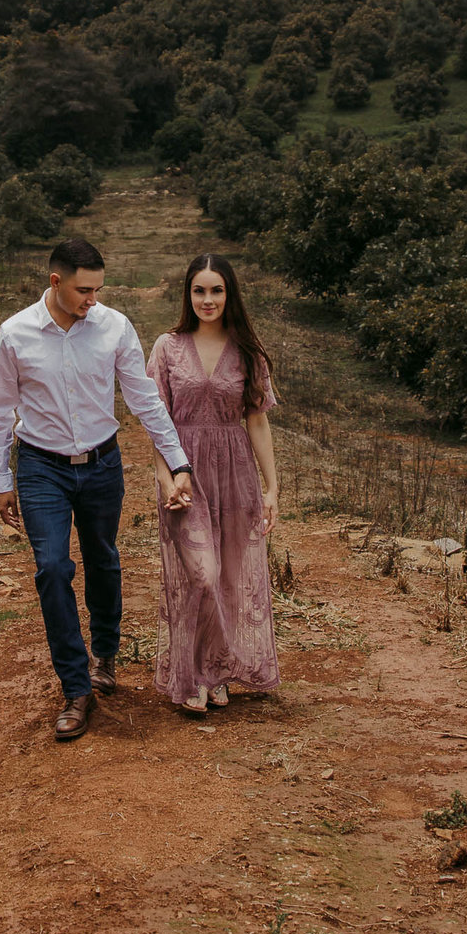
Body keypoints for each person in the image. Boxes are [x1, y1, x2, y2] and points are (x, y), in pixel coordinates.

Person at [0, 238, 197, 741]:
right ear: (55, 282)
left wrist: (177, 459)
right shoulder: (15, 333)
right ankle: (75, 687)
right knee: (52, 567)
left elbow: (144, 399)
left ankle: (105, 654)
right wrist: (1, 478)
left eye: (99, 289)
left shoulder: (115, 326)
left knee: (102, 557)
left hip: (102, 462)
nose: (92, 300)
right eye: (84, 290)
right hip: (41, 466)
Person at [147, 252, 280, 715]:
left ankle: (215, 671)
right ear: (188, 293)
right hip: (183, 475)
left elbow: (258, 423)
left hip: (235, 474)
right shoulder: (167, 347)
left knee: (224, 577)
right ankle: (192, 674)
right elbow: (154, 420)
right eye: (199, 290)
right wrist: (165, 479)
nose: (208, 299)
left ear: (230, 294)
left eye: (217, 290)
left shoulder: (248, 351)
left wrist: (271, 488)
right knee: (198, 575)